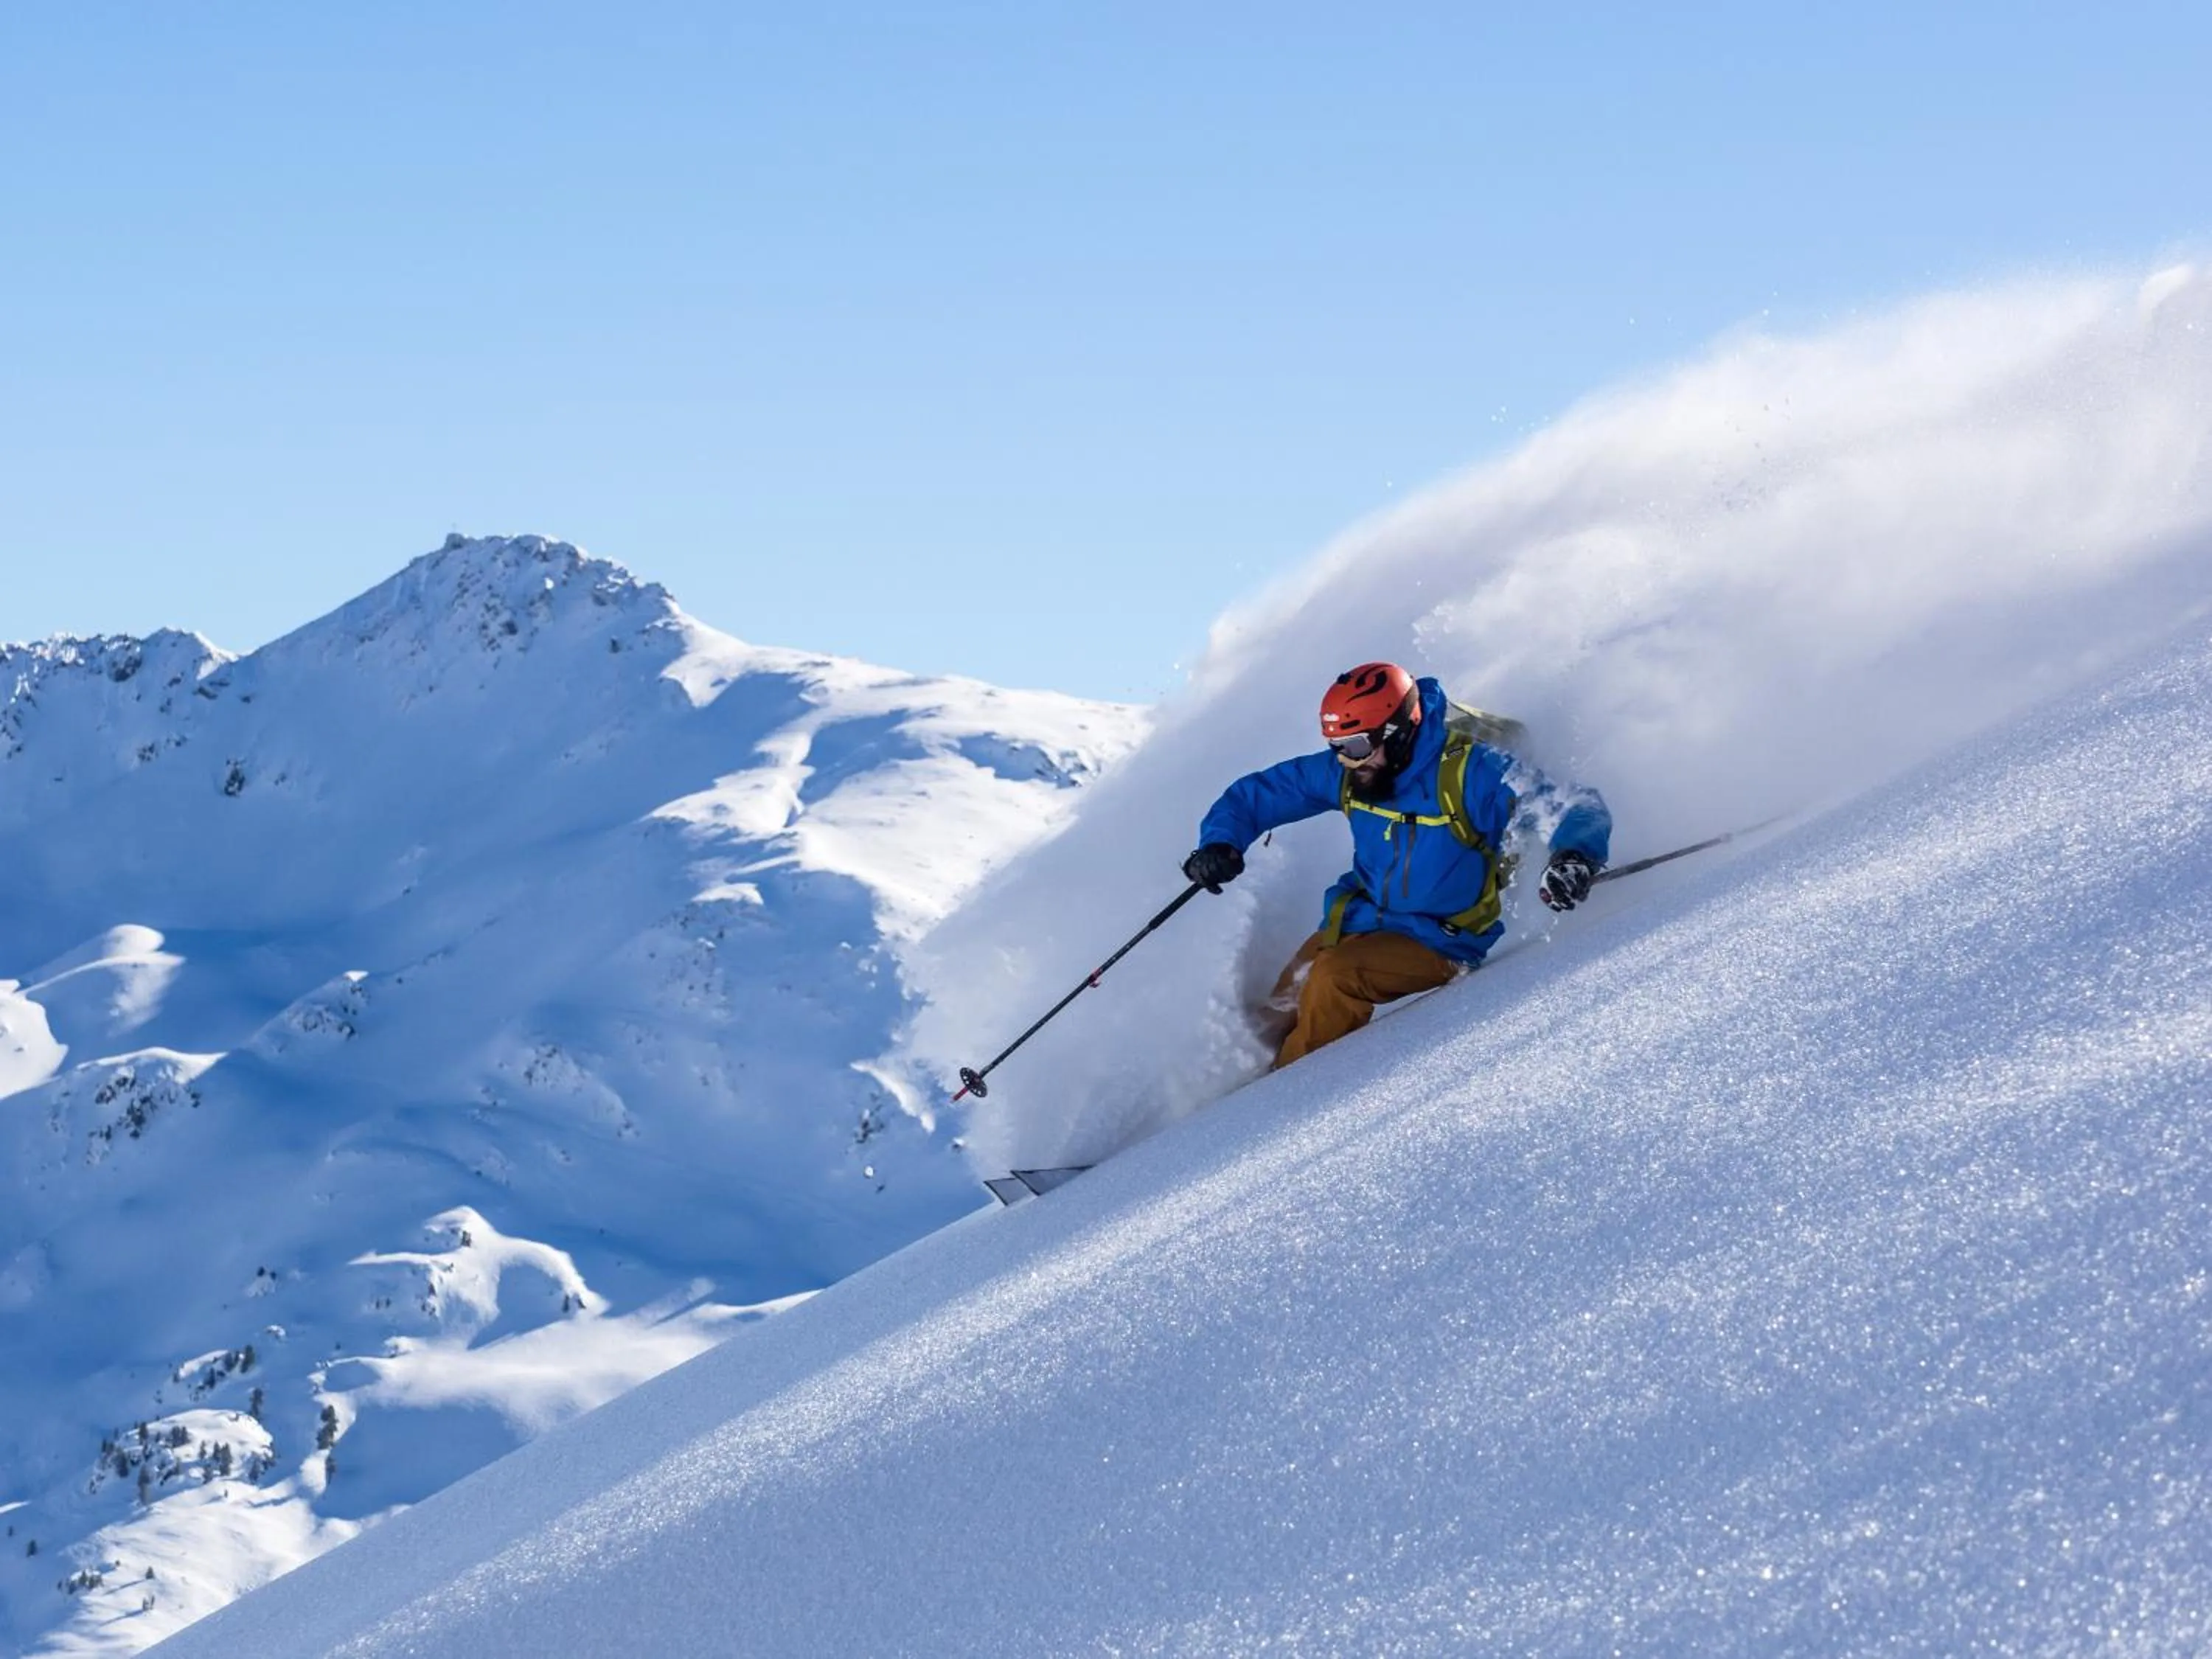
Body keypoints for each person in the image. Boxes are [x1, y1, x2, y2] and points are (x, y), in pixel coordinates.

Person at [1183, 661, 1612, 1068]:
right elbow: (1260, 795)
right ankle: (1234, 1087)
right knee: (1275, 1016)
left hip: (1441, 939)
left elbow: (1571, 804)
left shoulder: (1472, 771)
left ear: (1399, 731)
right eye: (1335, 747)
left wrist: (1574, 855)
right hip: (1361, 920)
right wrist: (1221, 842)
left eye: (1354, 746)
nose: (1345, 760)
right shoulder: (1356, 770)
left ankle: (1269, 1104)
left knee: (1334, 978)